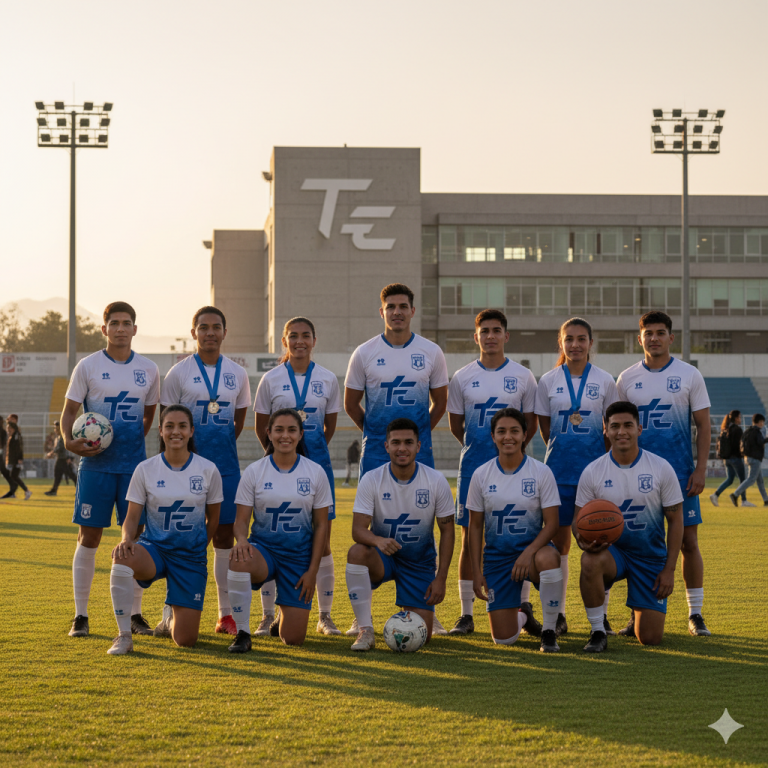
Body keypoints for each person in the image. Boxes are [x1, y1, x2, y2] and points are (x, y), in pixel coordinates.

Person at [344, 283, 449, 636]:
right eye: (391, 306)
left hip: (419, 451)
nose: (397, 312)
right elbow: (350, 403)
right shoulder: (365, 352)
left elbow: (441, 402)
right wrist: (377, 436)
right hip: (376, 450)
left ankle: (423, 596)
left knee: (424, 517)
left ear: (412, 311)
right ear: (382, 311)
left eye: (403, 306)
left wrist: (415, 440)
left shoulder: (431, 352)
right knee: (368, 529)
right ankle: (363, 617)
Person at [62, 301, 160, 638]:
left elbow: (149, 416)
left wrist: (130, 443)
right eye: (114, 322)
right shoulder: (87, 366)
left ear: (135, 328)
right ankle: (81, 615)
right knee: (89, 538)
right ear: (104, 329)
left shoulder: (148, 369)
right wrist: (67, 439)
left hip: (135, 468)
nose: (120, 328)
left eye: (126, 322)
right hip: (96, 467)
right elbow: (69, 411)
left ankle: (135, 613)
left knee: (136, 538)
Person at [616, 311, 712, 637]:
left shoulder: (688, 375)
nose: (654, 338)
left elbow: (703, 425)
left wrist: (701, 469)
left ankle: (695, 614)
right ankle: (636, 615)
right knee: (636, 542)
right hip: (636, 475)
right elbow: (616, 429)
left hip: (680, 474)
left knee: (688, 541)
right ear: (639, 338)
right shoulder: (626, 379)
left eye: (660, 333)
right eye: (648, 333)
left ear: (671, 338)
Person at [447, 309, 540, 637]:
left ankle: (523, 606)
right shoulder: (461, 377)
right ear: (476, 337)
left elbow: (529, 423)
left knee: (520, 536)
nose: (490, 336)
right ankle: (466, 613)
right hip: (473, 469)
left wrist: (510, 453)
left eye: (496, 330)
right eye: (484, 330)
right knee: (468, 541)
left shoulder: (523, 376)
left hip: (516, 471)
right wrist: (484, 452)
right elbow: (457, 426)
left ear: (506, 336)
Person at [160, 306, 251, 637]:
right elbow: (168, 424)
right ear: (193, 332)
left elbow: (237, 422)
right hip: (184, 469)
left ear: (225, 333)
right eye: (203, 327)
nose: (210, 332)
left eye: (216, 327)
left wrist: (216, 452)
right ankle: (170, 610)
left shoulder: (238, 374)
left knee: (223, 539)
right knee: (180, 537)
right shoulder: (178, 374)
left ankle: (225, 614)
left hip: (225, 468)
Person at [106, 405, 223, 655]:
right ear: (160, 431)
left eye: (182, 426)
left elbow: (214, 519)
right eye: (169, 426)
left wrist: (201, 545)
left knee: (185, 640)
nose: (175, 432)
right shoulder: (146, 469)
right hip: (155, 549)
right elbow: (132, 516)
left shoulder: (208, 469)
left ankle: (170, 615)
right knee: (122, 556)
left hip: (190, 557)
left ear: (191, 431)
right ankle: (124, 635)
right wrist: (127, 539)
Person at [254, 316, 341, 636]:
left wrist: (308, 459)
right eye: (293, 336)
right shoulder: (271, 379)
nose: (300, 341)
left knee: (324, 541)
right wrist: (282, 458)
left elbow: (328, 426)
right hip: (276, 469)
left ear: (314, 341)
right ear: (284, 342)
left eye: (306, 335)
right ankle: (266, 616)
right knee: (270, 537)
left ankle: (325, 615)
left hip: (317, 468)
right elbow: (262, 426)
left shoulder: (329, 379)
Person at [574, 401, 684, 652]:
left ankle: (639, 610)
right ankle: (597, 630)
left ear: (639, 429)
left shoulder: (660, 468)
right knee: (589, 561)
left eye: (627, 425)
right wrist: (581, 540)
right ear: (605, 429)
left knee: (650, 638)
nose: (621, 431)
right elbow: (577, 521)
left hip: (649, 556)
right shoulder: (593, 471)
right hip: (613, 552)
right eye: (615, 426)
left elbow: (676, 521)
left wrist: (669, 570)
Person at [534, 317, 618, 637]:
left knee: (599, 543)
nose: (575, 345)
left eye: (581, 339)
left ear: (590, 343)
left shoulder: (605, 381)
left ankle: (602, 616)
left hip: (595, 476)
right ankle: (558, 615)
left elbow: (609, 428)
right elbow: (546, 430)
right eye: (569, 339)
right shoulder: (548, 381)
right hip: (557, 475)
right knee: (558, 548)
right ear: (561, 343)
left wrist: (598, 459)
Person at [344, 417, 455, 651]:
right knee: (357, 553)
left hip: (418, 563)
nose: (401, 448)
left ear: (418, 446)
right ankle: (365, 629)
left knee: (422, 637)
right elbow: (357, 530)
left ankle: (412, 609)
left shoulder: (436, 481)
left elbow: (447, 531)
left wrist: (441, 578)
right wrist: (377, 540)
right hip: (383, 558)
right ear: (386, 446)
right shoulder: (372, 479)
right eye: (395, 443)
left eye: (408, 442)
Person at [226, 408, 332, 652]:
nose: (286, 436)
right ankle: (242, 632)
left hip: (298, 557)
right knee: (239, 557)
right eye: (279, 430)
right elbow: (241, 520)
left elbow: (321, 526)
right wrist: (241, 540)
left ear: (301, 434)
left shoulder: (315, 472)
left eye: (292, 430)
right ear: (268, 433)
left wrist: (313, 570)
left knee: (293, 639)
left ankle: (281, 618)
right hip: (265, 551)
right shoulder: (255, 471)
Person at [466, 408, 563, 652]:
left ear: (524, 435)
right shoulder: (480, 475)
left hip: (532, 555)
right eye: (501, 431)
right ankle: (524, 616)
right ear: (493, 436)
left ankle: (549, 631)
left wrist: (529, 552)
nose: (507, 437)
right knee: (504, 639)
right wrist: (476, 572)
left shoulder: (541, 472)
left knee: (550, 557)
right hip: (498, 559)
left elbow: (552, 524)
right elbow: (475, 526)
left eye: (514, 431)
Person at [729, 413, 768, 507]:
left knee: (760, 481)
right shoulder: (756, 432)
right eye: (762, 422)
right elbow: (761, 442)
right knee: (751, 479)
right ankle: (735, 494)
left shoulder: (748, 431)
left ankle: (766, 500)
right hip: (755, 459)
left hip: (748, 457)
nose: (763, 424)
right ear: (759, 422)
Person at [710, 410, 746, 506]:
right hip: (735, 458)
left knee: (730, 479)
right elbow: (737, 446)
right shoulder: (737, 430)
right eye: (739, 417)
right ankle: (744, 500)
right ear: (735, 418)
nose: (740, 419)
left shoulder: (726, 429)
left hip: (727, 459)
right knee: (743, 479)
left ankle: (715, 494)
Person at [45, 421, 78, 496]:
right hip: (60, 459)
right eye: (55, 428)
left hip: (65, 460)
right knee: (58, 476)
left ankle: (80, 490)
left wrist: (51, 453)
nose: (55, 430)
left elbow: (63, 448)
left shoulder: (64, 437)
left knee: (72, 476)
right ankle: (54, 490)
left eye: (57, 428)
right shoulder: (59, 437)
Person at [2, 421, 31, 500]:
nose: (8, 430)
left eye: (9, 429)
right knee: (13, 475)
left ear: (13, 429)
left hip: (16, 460)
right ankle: (17, 491)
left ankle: (25, 491)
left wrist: (20, 458)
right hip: (13, 460)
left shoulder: (16, 436)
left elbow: (19, 448)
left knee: (13, 475)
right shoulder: (13, 436)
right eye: (7, 429)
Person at [0, 416, 13, 493]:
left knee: (4, 471)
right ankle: (13, 486)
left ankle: (13, 486)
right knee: (4, 471)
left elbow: (3, 444)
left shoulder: (3, 432)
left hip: (1, 453)